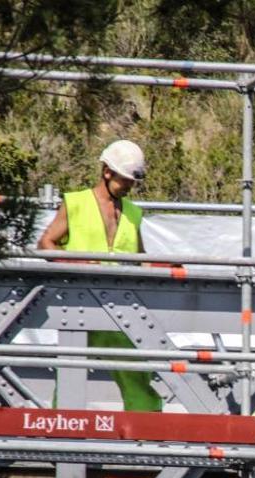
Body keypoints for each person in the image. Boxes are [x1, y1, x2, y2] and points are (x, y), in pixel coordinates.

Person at [37, 139, 161, 412]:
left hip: (122, 309)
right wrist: (76, 263)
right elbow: (46, 244)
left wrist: (164, 272)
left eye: (132, 180)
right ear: (107, 172)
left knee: (137, 375)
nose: (129, 186)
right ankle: (63, 434)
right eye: (125, 179)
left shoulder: (132, 212)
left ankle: (146, 435)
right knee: (69, 376)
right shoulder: (77, 203)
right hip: (79, 305)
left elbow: (141, 258)